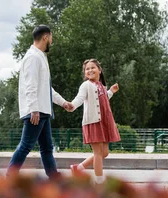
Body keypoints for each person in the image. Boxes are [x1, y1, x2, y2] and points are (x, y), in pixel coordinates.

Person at [6, 24, 73, 179]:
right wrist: (34, 109)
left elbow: (45, 88)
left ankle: (54, 178)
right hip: (36, 112)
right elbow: (30, 86)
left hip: (43, 110)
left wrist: (63, 102)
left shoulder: (40, 57)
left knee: (47, 148)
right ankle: (10, 177)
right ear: (45, 37)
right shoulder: (32, 57)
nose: (52, 41)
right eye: (51, 38)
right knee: (26, 146)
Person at [66, 58, 120, 184]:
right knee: (97, 153)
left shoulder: (101, 86)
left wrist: (111, 91)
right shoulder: (86, 85)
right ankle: (99, 181)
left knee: (104, 153)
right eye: (87, 69)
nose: (90, 70)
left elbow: (103, 99)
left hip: (104, 122)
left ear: (99, 70)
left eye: (92, 68)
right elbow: (79, 99)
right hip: (93, 122)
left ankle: (78, 168)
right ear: (85, 73)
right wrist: (72, 106)